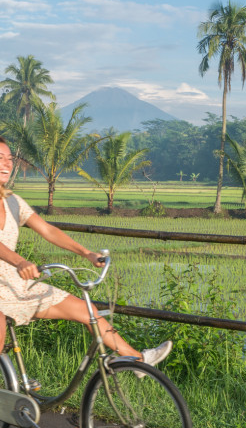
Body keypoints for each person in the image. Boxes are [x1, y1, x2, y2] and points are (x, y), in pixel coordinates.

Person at [0, 137, 172, 373]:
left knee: (87, 311)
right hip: (10, 279)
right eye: (0, 158)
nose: (6, 164)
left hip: (16, 283)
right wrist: (20, 261)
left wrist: (86, 253)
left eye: (9, 159)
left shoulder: (12, 202)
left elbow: (48, 230)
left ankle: (138, 362)